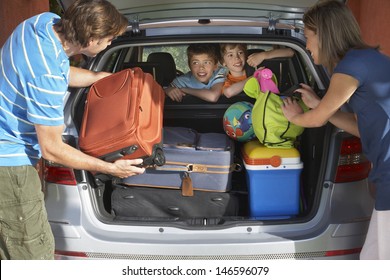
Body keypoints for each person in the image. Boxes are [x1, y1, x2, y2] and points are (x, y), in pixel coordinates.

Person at [0, 0, 145, 260]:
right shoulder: (46, 77)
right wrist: (111, 168)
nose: (110, 44)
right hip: (10, 166)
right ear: (91, 38)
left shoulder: (40, 24)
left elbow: (59, 69)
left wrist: (97, 78)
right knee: (32, 254)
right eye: (109, 39)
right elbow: (52, 150)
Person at [281, 0, 390, 260]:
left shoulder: (350, 66)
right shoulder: (370, 59)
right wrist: (320, 105)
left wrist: (296, 117)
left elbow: (317, 120)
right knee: (373, 259)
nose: (306, 45)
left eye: (308, 37)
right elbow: (363, 128)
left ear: (326, 35)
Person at [220, 43, 294, 98]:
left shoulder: (257, 65)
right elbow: (229, 92)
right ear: (223, 62)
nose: (237, 58)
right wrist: (254, 76)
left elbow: (290, 52)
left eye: (240, 53)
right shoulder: (227, 81)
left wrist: (264, 55)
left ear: (245, 55)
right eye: (230, 55)